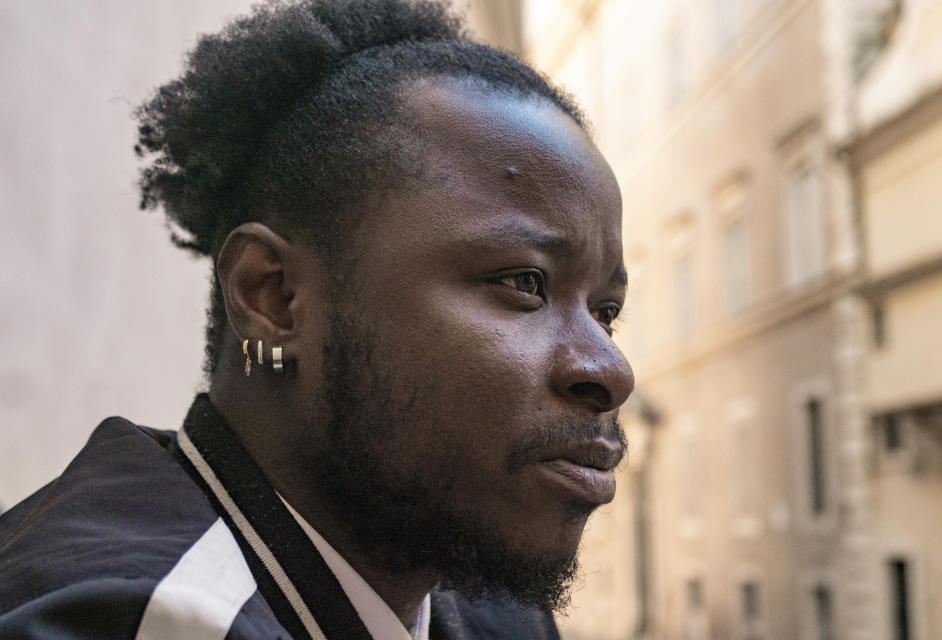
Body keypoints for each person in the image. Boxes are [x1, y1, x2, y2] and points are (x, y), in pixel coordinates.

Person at [0, 0, 634, 637]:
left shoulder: (489, 611)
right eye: (524, 282)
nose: (612, 369)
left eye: (606, 312)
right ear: (272, 298)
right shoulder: (140, 621)